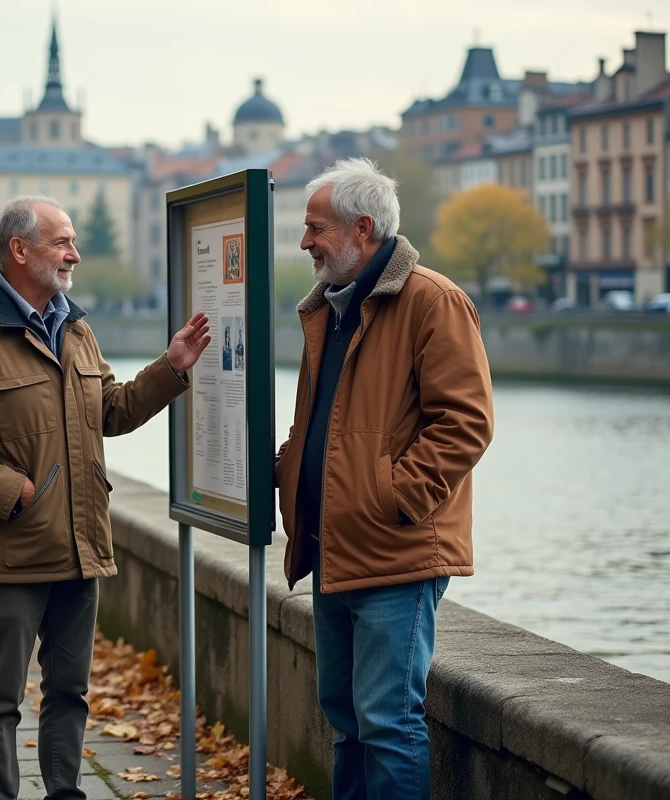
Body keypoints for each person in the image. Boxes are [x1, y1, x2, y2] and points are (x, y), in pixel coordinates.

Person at [0, 196, 210, 800]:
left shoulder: (76, 327)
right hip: (13, 550)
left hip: (82, 548)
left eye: (73, 242)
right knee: (2, 697)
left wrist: (171, 368)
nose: (75, 255)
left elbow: (112, 411)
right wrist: (14, 492)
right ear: (19, 251)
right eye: (62, 243)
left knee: (71, 691)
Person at [275, 158, 493, 800]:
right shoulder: (332, 309)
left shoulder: (432, 300)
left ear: (361, 228)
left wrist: (394, 498)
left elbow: (466, 422)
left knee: (388, 725)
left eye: (315, 228)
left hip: (395, 553)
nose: (305, 241)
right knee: (347, 724)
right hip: (334, 550)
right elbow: (316, 426)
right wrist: (284, 476)